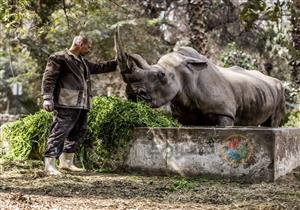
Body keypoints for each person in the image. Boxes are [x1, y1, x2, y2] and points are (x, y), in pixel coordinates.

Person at [42, 34, 117, 176]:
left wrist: (117, 62)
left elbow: (100, 67)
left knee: (78, 132)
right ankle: (49, 165)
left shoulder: (83, 61)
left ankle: (66, 163)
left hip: (82, 103)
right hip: (66, 102)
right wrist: (47, 97)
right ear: (80, 44)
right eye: (88, 47)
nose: (90, 49)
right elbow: (49, 78)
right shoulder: (59, 58)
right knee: (59, 131)